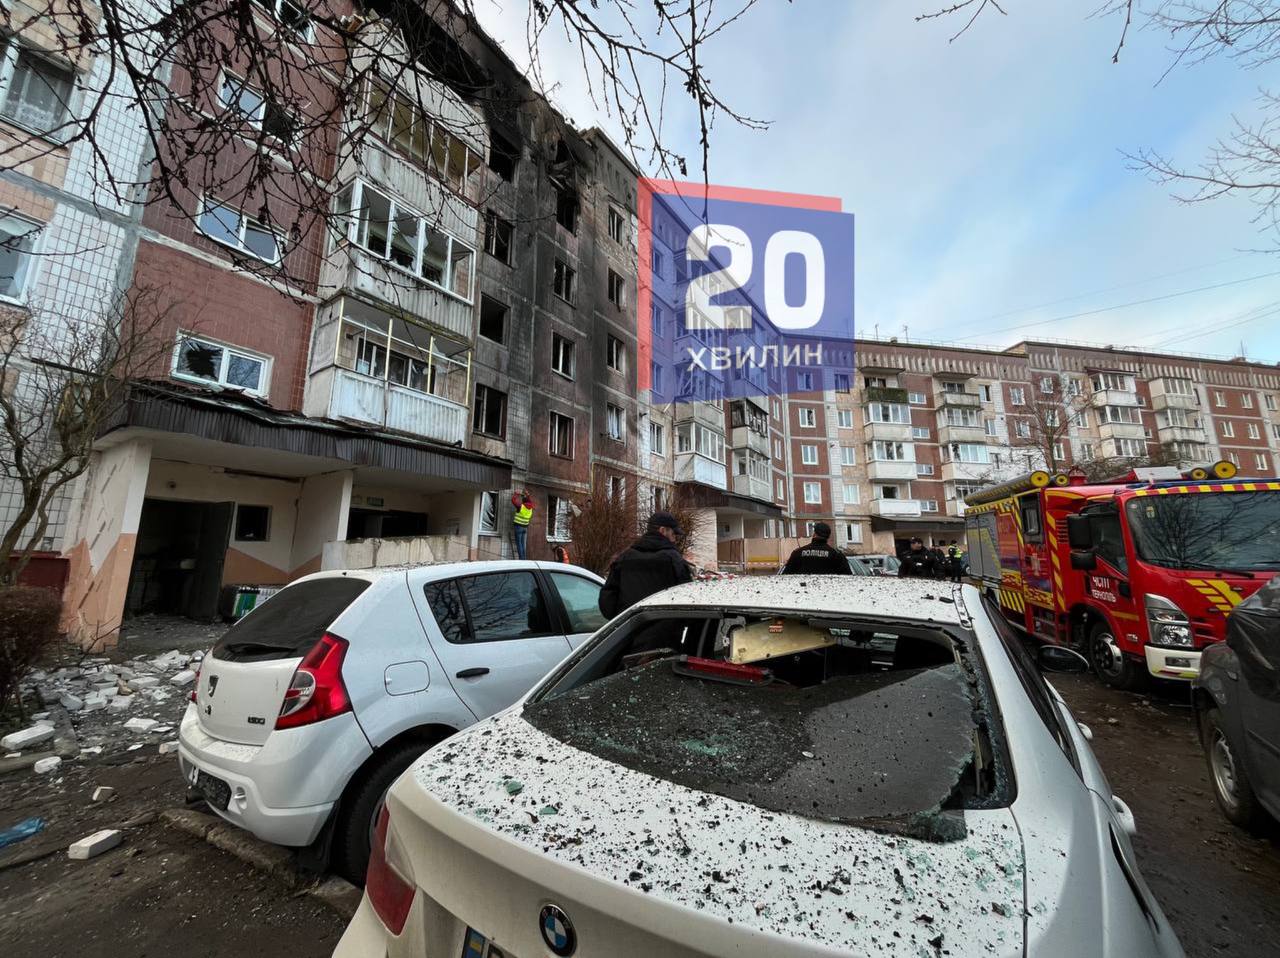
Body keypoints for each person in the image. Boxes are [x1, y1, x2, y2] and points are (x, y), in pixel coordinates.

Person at [598, 511, 693, 618]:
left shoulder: (624, 558)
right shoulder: (674, 560)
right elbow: (688, 599)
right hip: (666, 629)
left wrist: (621, 620)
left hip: (631, 628)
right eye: (673, 534)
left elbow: (607, 600)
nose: (674, 539)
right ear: (662, 530)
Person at [782, 522, 853, 575]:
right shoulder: (836, 555)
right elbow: (848, 578)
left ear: (814, 534)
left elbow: (785, 577)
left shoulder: (798, 553)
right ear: (828, 537)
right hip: (829, 593)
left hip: (802, 593)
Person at [511, 490, 534, 559]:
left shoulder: (521, 506)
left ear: (523, 501)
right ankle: (523, 558)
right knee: (523, 544)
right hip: (525, 528)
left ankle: (521, 559)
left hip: (518, 527)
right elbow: (529, 501)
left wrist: (516, 494)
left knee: (519, 544)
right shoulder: (531, 507)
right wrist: (528, 495)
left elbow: (513, 501)